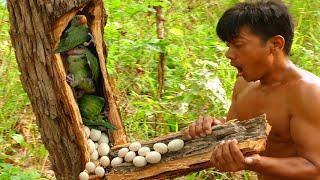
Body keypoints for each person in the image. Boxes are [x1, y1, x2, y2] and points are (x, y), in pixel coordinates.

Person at [183, 0, 320, 179]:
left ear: (276, 44)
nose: (229, 54)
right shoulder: (244, 84)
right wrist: (212, 129)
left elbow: (315, 166)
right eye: (229, 45)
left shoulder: (308, 93)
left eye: (238, 45)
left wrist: (252, 162)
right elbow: (234, 132)